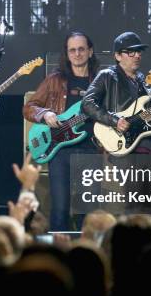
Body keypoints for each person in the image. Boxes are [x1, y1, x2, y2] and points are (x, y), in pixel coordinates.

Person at [82, 31, 151, 212]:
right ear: (117, 55)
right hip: (125, 147)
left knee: (149, 205)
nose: (137, 55)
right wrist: (114, 120)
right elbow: (87, 103)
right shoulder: (108, 76)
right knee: (133, 202)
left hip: (149, 148)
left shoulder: (146, 86)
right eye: (131, 52)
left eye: (139, 51)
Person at [23, 31, 99, 230]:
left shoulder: (101, 82)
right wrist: (45, 114)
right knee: (60, 210)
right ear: (67, 53)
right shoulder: (54, 80)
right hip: (60, 151)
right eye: (72, 50)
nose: (77, 54)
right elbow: (29, 107)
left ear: (90, 52)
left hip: (90, 150)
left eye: (81, 49)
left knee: (89, 211)